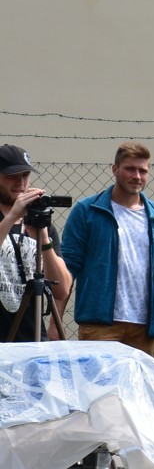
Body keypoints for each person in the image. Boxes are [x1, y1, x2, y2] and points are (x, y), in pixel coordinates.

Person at [57, 142, 154, 354]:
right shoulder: (87, 211)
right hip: (100, 325)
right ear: (115, 169)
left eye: (143, 171)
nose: (137, 176)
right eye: (130, 169)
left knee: (138, 378)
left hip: (145, 328)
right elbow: (68, 268)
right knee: (99, 378)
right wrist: (55, 322)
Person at [0, 143, 71, 341]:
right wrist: (12, 216)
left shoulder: (38, 222)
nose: (20, 183)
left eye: (25, 175)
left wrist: (45, 241)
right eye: (11, 176)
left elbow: (62, 290)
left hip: (32, 338)